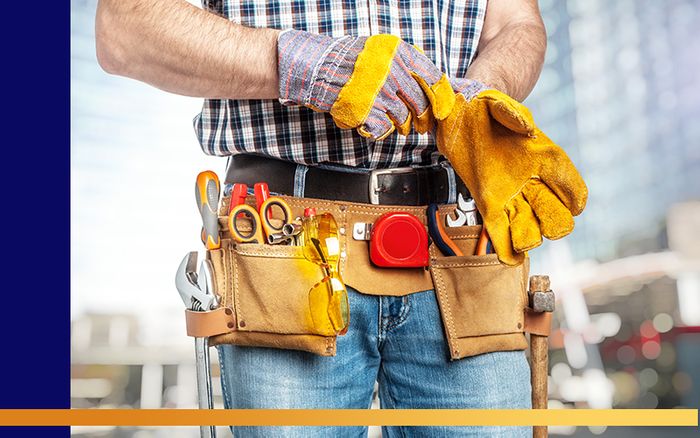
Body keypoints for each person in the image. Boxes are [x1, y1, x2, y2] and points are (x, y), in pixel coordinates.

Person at [96, 0, 547, 436]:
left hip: (463, 245)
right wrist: (300, 64)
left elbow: (516, 25)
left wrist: (478, 95)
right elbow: (124, 28)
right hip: (284, 247)